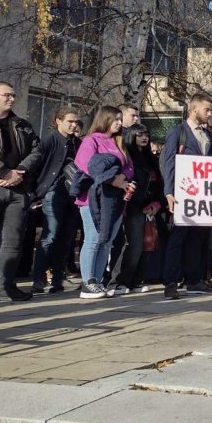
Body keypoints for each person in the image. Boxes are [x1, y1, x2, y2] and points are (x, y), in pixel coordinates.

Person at [160, 93, 212, 299]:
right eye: (207, 109)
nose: (210, 113)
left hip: (202, 196)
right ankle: (170, 282)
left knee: (198, 239)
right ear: (194, 109)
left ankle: (194, 280)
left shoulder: (207, 136)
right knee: (178, 238)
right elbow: (168, 162)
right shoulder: (178, 132)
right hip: (182, 194)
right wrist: (168, 192)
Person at [73, 106, 132, 299]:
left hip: (115, 200)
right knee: (93, 239)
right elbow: (87, 165)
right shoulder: (91, 140)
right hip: (93, 198)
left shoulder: (119, 142)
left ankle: (97, 282)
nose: (119, 123)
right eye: (115, 119)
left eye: (120, 119)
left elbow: (129, 166)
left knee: (106, 242)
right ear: (104, 119)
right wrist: (111, 179)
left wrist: (123, 176)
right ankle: (87, 282)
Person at [0, 82, 42, 301]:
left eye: (13, 95)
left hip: (17, 191)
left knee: (12, 240)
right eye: (7, 95)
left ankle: (6, 287)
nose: (12, 99)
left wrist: (20, 171)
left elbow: (37, 150)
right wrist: (3, 172)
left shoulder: (22, 125)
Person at [109, 123, 163, 294]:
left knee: (146, 244)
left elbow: (157, 184)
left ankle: (136, 281)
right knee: (132, 244)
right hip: (132, 205)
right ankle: (118, 281)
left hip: (149, 207)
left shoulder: (151, 159)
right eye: (139, 134)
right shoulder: (127, 156)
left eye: (146, 134)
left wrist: (157, 204)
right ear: (131, 136)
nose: (144, 138)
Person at [31, 107, 80, 294]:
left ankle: (57, 280)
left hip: (72, 194)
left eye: (76, 121)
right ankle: (39, 279)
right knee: (50, 236)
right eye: (70, 121)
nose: (74, 125)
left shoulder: (78, 143)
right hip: (52, 192)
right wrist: (35, 193)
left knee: (66, 238)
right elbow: (37, 165)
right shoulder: (49, 140)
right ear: (58, 121)